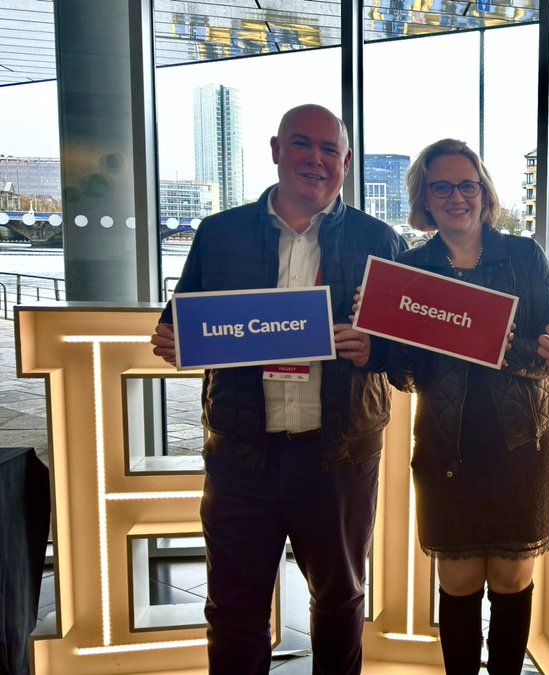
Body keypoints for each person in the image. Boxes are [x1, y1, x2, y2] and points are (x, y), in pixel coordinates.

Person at [150, 104, 407, 675]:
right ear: (275, 150)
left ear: (345, 162)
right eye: (301, 144)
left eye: (328, 150)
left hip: (338, 453)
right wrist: (173, 338)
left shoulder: (379, 239)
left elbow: (406, 349)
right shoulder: (220, 234)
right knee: (235, 609)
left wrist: (377, 350)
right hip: (243, 454)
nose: (315, 159)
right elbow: (181, 320)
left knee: (340, 602)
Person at [384, 138, 549, 675]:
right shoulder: (409, 269)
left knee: (512, 580)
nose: (456, 196)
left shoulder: (523, 255)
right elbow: (403, 375)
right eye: (442, 186)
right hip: (446, 448)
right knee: (457, 581)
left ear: (484, 192)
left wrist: (498, 344)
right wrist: (392, 339)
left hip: (520, 446)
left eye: (467, 184)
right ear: (425, 197)